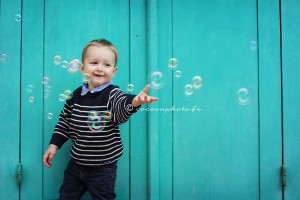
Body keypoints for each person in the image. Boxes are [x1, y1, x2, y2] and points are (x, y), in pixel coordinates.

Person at [43, 38, 158, 200]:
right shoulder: (75, 96)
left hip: (103, 168)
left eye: (106, 64)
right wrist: (54, 145)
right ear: (82, 68)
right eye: (94, 62)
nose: (100, 68)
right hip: (76, 163)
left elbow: (121, 107)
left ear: (114, 71)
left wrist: (134, 101)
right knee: (66, 196)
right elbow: (64, 122)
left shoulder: (112, 94)